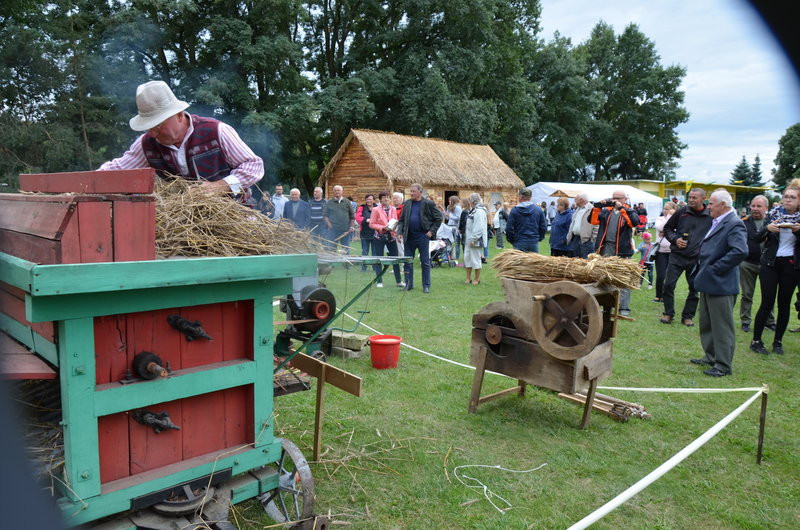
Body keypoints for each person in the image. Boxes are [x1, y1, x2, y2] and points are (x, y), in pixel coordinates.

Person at [99, 80, 263, 199]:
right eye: (149, 127)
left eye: (158, 125)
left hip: (234, 218)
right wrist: (81, 187)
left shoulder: (216, 131)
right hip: (182, 226)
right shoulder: (146, 144)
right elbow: (116, 170)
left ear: (179, 115)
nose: (154, 133)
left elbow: (254, 167)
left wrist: (220, 186)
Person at [690, 190, 748, 376]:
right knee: (707, 322)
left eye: (712, 203)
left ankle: (723, 365)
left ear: (723, 205)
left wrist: (716, 268)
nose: (708, 207)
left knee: (722, 326)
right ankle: (710, 356)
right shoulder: (719, 221)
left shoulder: (734, 223)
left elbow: (739, 251)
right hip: (709, 281)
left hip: (721, 283)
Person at [749, 185, 800, 355]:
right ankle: (756, 340)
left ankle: (778, 341)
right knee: (766, 302)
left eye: (792, 197)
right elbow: (756, 238)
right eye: (786, 196)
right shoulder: (773, 214)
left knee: (784, 304)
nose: (787, 199)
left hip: (791, 265)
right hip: (770, 263)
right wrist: (767, 229)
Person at [660, 188, 712, 327]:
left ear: (703, 198)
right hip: (677, 256)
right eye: (690, 197)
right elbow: (668, 229)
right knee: (668, 285)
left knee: (694, 288)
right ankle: (668, 313)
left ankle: (688, 316)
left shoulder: (710, 215)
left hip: (697, 258)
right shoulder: (682, 212)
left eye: (695, 198)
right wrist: (675, 239)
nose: (691, 200)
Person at [590, 190, 640, 317]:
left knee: (623, 279)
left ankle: (624, 308)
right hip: (606, 247)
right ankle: (607, 306)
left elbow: (634, 222)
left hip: (621, 250)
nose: (614, 200)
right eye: (613, 198)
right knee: (604, 277)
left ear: (624, 199)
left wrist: (622, 208)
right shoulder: (606, 211)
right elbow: (593, 221)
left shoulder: (629, 211)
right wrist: (597, 207)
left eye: (617, 198)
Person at [395, 183, 443, 293]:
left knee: (425, 262)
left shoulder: (428, 203)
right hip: (409, 237)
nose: (411, 193)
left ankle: (426, 286)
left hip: (422, 237)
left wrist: (432, 231)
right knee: (408, 262)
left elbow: (439, 217)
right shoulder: (407, 203)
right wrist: (400, 232)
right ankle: (408, 284)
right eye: (411, 191)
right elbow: (401, 220)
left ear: (420, 192)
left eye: (414, 191)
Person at [740, 195, 775, 332]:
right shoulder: (743, 221)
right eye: (753, 206)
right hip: (747, 263)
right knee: (747, 294)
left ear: (766, 208)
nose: (755, 209)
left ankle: (769, 320)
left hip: (768, 265)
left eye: (759, 206)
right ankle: (745, 321)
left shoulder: (773, 222)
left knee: (769, 294)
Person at [369, 191, 404, 288]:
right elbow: (372, 224)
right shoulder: (376, 209)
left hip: (391, 236)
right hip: (379, 236)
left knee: (395, 258)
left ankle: (398, 281)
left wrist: (396, 231)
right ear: (380, 199)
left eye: (388, 197)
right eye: (384, 197)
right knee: (379, 259)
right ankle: (379, 281)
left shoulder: (393, 209)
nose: (387, 199)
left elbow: (395, 221)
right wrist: (382, 228)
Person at [506, 188, 547, 252]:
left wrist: (511, 240)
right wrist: (539, 238)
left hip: (519, 241)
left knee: (519, 262)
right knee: (533, 262)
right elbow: (543, 227)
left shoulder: (514, 210)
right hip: (533, 242)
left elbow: (509, 228)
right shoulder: (538, 210)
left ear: (521, 197)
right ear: (530, 197)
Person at [652, 201, 677, 303]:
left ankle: (666, 296)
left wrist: (667, 229)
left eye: (668, 209)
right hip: (661, 251)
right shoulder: (660, 218)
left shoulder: (678, 219)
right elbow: (660, 227)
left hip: (673, 251)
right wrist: (669, 219)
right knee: (661, 275)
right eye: (664, 209)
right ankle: (658, 295)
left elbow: (676, 229)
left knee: (670, 276)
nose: (665, 211)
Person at [464, 193, 488, 285]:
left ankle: (477, 279)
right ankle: (468, 278)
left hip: (475, 239)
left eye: (469, 200)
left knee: (475, 258)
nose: (469, 201)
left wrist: (473, 239)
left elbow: (479, 227)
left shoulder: (480, 211)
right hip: (468, 239)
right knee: (467, 258)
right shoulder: (473, 210)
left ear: (473, 201)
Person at [323, 185, 355, 252]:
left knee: (346, 250)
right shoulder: (329, 202)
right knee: (331, 250)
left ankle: (346, 262)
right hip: (333, 231)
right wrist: (330, 225)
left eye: (338, 190)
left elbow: (352, 216)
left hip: (345, 231)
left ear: (342, 191)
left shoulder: (347, 202)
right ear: (333, 192)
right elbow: (325, 216)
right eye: (335, 190)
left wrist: (351, 227)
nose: (337, 192)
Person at [566, 192, 597, 259]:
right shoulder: (578, 209)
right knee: (575, 261)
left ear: (581, 200)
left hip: (586, 241)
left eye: (576, 200)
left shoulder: (593, 210)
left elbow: (596, 226)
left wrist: (592, 239)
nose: (574, 202)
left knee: (586, 261)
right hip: (575, 239)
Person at [356, 194, 377, 270]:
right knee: (365, 251)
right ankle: (364, 267)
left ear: (373, 200)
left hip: (375, 233)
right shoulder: (362, 208)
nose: (369, 201)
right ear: (365, 200)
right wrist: (366, 220)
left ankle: (375, 268)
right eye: (367, 199)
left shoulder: (377, 207)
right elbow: (358, 218)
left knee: (375, 252)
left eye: (370, 199)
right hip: (364, 233)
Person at [445, 196, 463, 260]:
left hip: (455, 227)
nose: (449, 201)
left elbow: (458, 218)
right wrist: (444, 213)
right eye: (449, 200)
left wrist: (450, 216)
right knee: (448, 242)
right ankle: (449, 256)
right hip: (449, 226)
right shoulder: (449, 207)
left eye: (450, 200)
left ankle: (457, 258)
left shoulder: (458, 207)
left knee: (456, 243)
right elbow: (447, 218)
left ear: (454, 201)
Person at [458, 197, 471, 262]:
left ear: (464, 204)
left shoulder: (464, 211)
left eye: (461, 203)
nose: (460, 204)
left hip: (464, 230)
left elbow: (462, 222)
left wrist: (460, 229)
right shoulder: (469, 211)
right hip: (468, 230)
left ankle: (466, 262)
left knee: (464, 246)